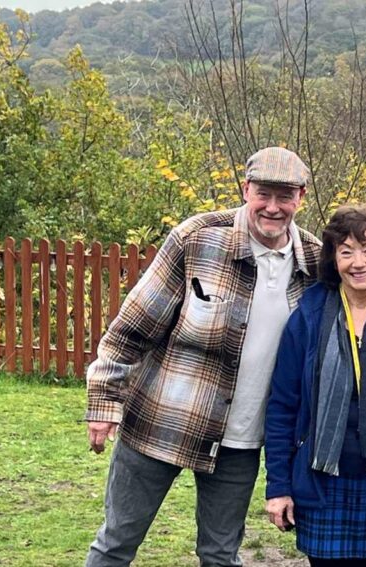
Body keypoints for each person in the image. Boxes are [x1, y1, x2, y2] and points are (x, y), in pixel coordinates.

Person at [84, 147, 321, 567]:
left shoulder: (316, 262)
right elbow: (132, 326)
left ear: (301, 197)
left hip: (241, 440)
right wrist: (104, 401)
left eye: (285, 196)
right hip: (161, 421)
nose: (272, 207)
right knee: (116, 543)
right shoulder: (197, 238)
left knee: (220, 555)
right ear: (246, 189)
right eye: (263, 194)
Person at [264, 204, 366, 567]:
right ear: (333, 258)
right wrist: (278, 487)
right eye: (346, 251)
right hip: (324, 483)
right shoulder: (308, 316)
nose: (359, 263)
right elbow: (282, 406)